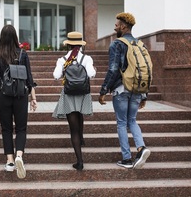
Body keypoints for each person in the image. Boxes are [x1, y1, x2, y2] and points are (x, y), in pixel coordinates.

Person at [98, 12, 151, 169]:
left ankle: (127, 159)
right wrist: (144, 95)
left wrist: (103, 90)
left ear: (123, 26)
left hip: (121, 89)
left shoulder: (117, 44)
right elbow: (145, 70)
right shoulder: (140, 45)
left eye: (116, 24)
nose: (115, 26)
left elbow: (113, 69)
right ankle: (141, 148)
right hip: (137, 89)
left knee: (121, 123)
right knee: (132, 120)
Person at [0, 25, 37, 179]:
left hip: (4, 95)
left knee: (6, 129)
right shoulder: (23, 54)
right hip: (21, 95)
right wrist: (33, 98)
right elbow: (29, 78)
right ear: (15, 37)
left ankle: (10, 161)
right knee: (21, 128)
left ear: (2, 38)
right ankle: (19, 156)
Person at [52, 31, 96, 171]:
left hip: (69, 94)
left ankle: (80, 161)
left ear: (68, 45)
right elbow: (91, 74)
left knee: (73, 130)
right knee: (80, 114)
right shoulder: (87, 58)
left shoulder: (63, 59)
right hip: (83, 94)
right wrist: (94, 69)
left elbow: (56, 76)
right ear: (80, 44)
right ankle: (81, 138)